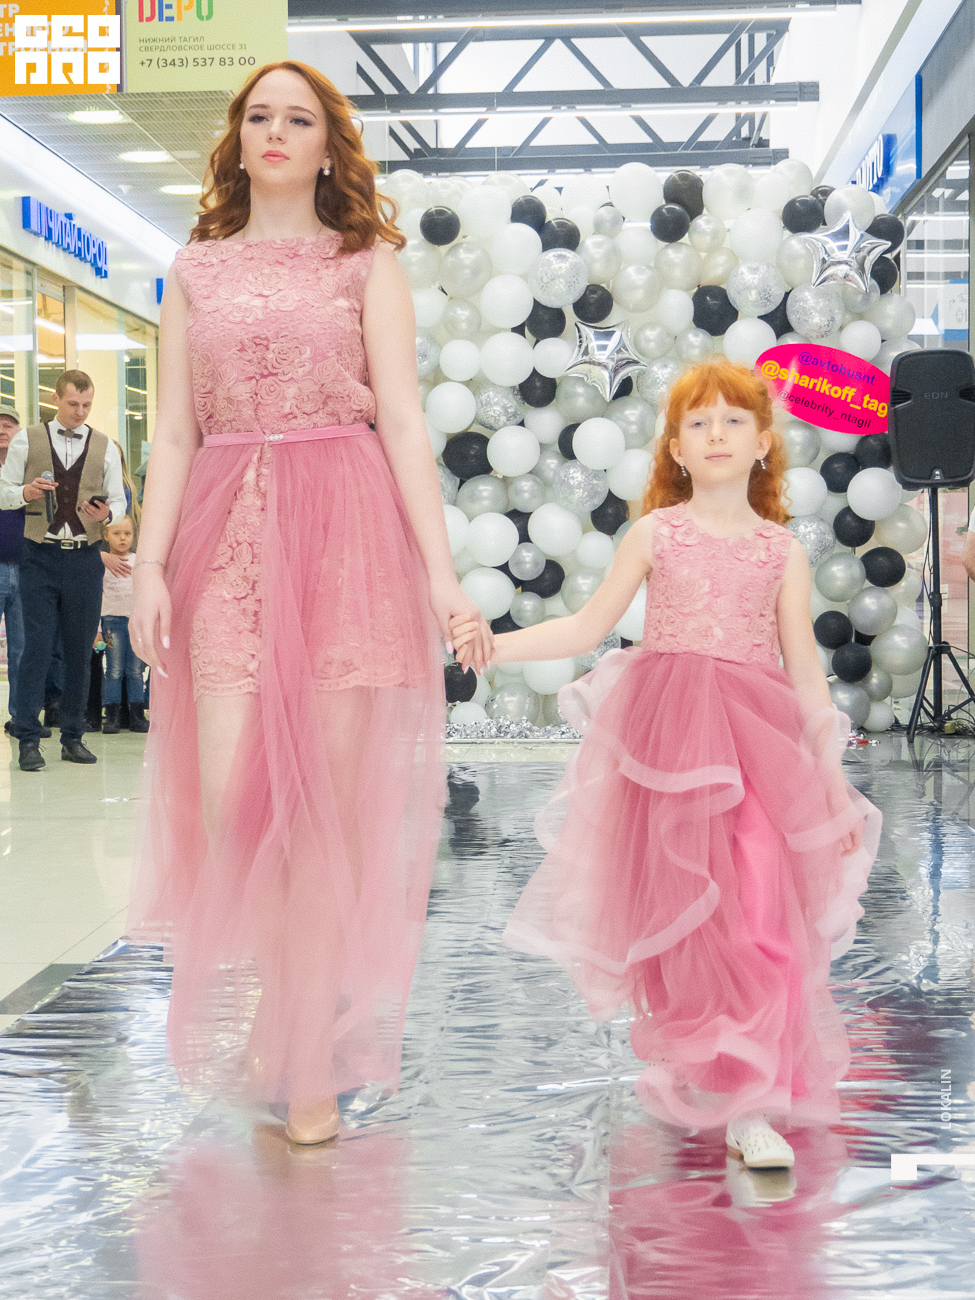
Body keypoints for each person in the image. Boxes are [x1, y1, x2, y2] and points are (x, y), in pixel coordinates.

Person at [127, 60, 491, 1146]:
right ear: (236, 138)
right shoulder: (193, 270)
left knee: (318, 815)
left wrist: (441, 575)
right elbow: (176, 431)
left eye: (298, 119)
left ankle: (304, 1054)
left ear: (329, 147)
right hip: (226, 535)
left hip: (344, 533)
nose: (276, 132)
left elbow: (405, 422)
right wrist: (148, 564)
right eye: (259, 116)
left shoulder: (365, 263)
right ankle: (286, 1013)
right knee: (235, 809)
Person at [452, 361, 881, 1172]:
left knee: (763, 909)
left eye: (732, 420)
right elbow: (586, 627)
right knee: (692, 917)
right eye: (696, 423)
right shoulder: (655, 533)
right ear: (675, 449)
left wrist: (830, 790)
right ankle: (718, 1068)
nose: (715, 434)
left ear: (762, 443)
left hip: (758, 744)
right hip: (673, 744)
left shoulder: (780, 551)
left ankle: (755, 1103)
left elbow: (803, 672)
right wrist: (494, 648)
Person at [0, 370, 126, 771]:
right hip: (38, 554)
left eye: (87, 405)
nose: (80, 412)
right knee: (35, 649)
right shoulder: (27, 440)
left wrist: (107, 515)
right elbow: (3, 491)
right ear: (56, 399)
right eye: (73, 404)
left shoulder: (104, 446)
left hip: (85, 557)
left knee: (79, 650)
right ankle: (27, 738)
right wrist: (26, 492)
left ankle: (73, 736)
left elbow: (119, 501)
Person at [100, 516, 149, 734]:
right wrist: (98, 630)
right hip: (112, 626)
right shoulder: (103, 563)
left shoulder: (139, 561)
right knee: (114, 669)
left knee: (135, 670)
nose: (122, 538)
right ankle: (112, 717)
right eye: (116, 533)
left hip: (136, 624)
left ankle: (137, 715)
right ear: (106, 536)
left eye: (127, 534)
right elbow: (98, 597)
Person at [0, 405, 25, 737]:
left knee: (23, 650)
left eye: (8, 425)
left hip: (26, 569)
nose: (2, 431)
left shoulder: (26, 472)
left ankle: (22, 718)